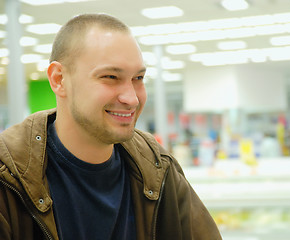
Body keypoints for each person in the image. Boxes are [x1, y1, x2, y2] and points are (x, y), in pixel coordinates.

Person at [0, 14, 221, 240]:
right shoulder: (8, 176)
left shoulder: (157, 167)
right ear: (59, 79)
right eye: (111, 77)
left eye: (138, 77)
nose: (132, 98)